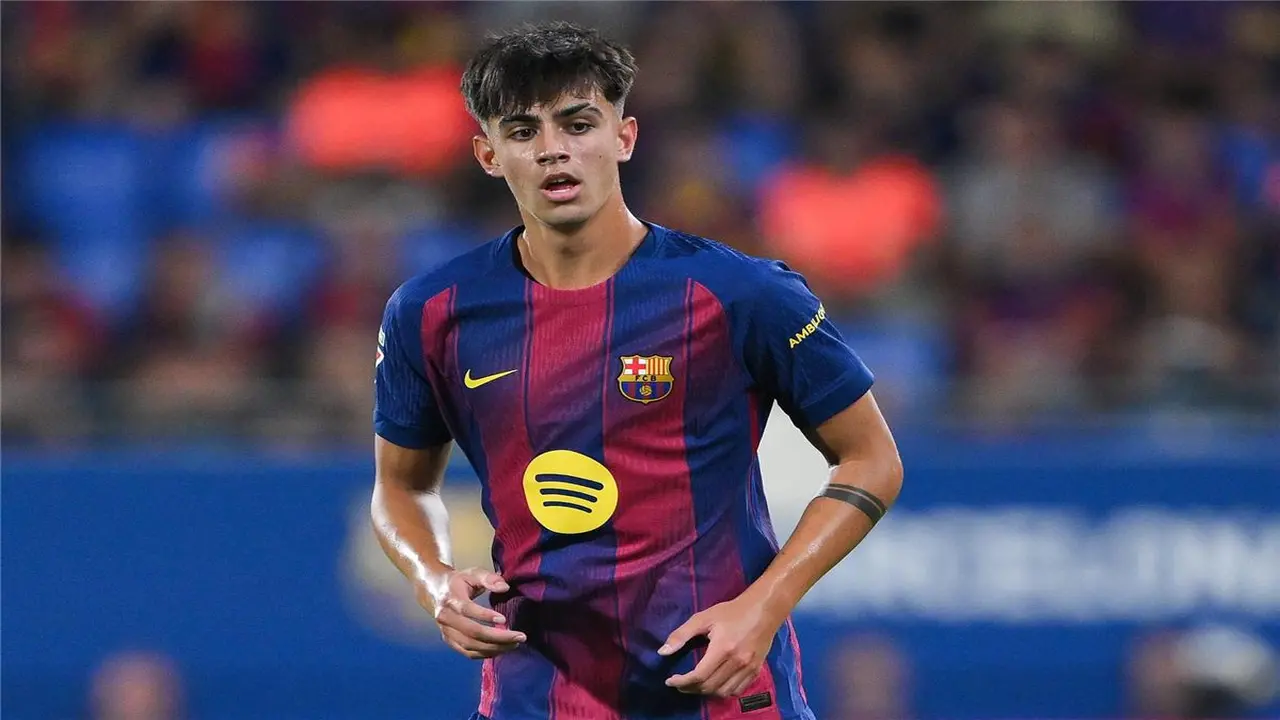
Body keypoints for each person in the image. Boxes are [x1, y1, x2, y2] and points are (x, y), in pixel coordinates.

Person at [370, 21, 904, 720]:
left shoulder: (741, 293)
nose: (554, 149)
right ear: (489, 154)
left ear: (624, 137)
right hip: (538, 691)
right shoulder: (430, 312)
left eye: (578, 124)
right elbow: (401, 487)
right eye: (524, 131)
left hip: (721, 684)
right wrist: (433, 578)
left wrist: (764, 605)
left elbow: (872, 459)